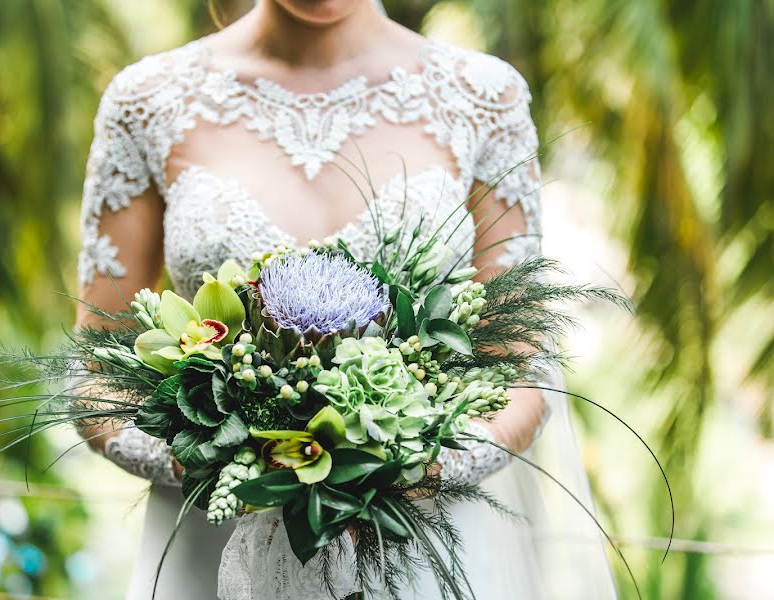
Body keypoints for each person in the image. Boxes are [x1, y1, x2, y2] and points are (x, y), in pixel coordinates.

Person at [75, 0, 617, 597]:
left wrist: (414, 470)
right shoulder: (148, 100)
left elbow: (521, 365)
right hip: (217, 545)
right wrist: (221, 464)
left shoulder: (483, 97)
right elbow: (95, 369)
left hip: (413, 550)